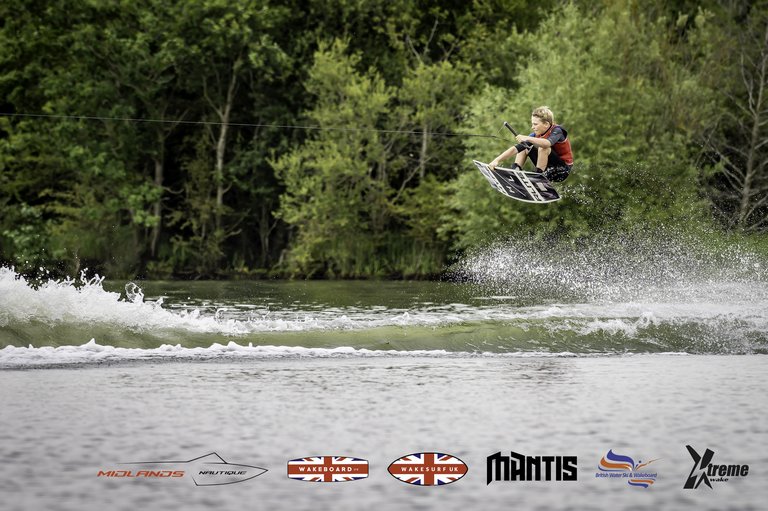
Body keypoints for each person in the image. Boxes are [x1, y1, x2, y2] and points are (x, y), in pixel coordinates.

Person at [489, 106, 573, 182]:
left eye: (535, 124)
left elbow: (546, 144)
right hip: (547, 168)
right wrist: (497, 160)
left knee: (543, 148)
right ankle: (516, 171)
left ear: (546, 124)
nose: (532, 127)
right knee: (524, 146)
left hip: (562, 170)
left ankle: (538, 177)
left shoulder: (558, 131)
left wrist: (527, 138)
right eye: (532, 124)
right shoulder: (535, 135)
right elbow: (515, 148)